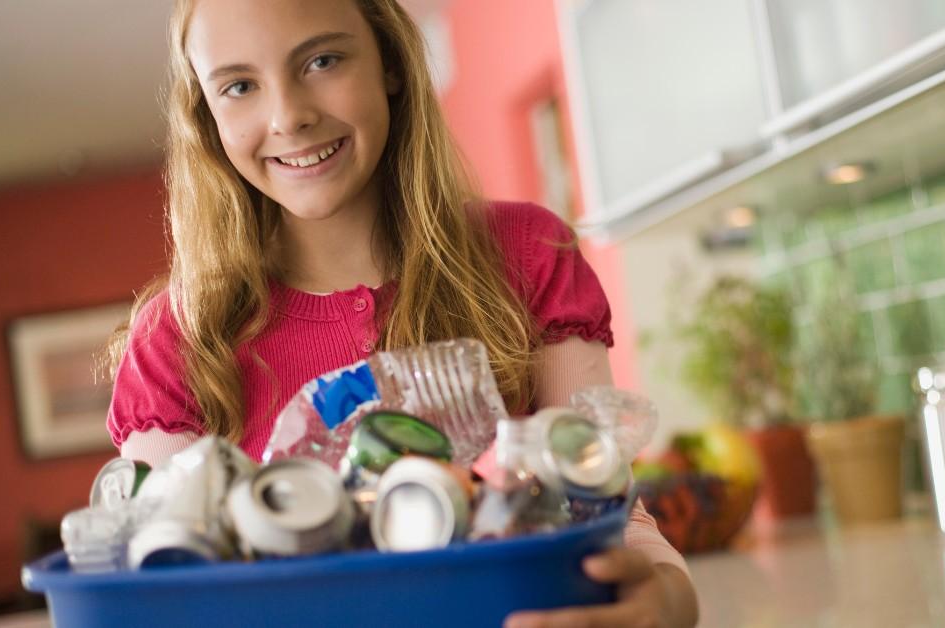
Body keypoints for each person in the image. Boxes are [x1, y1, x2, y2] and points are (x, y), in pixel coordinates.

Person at [104, 1, 698, 626]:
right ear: (206, 114)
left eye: (323, 60)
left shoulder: (526, 255)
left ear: (389, 62)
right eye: (240, 86)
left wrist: (667, 602)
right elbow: (157, 583)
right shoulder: (179, 336)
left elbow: (610, 515)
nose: (289, 116)